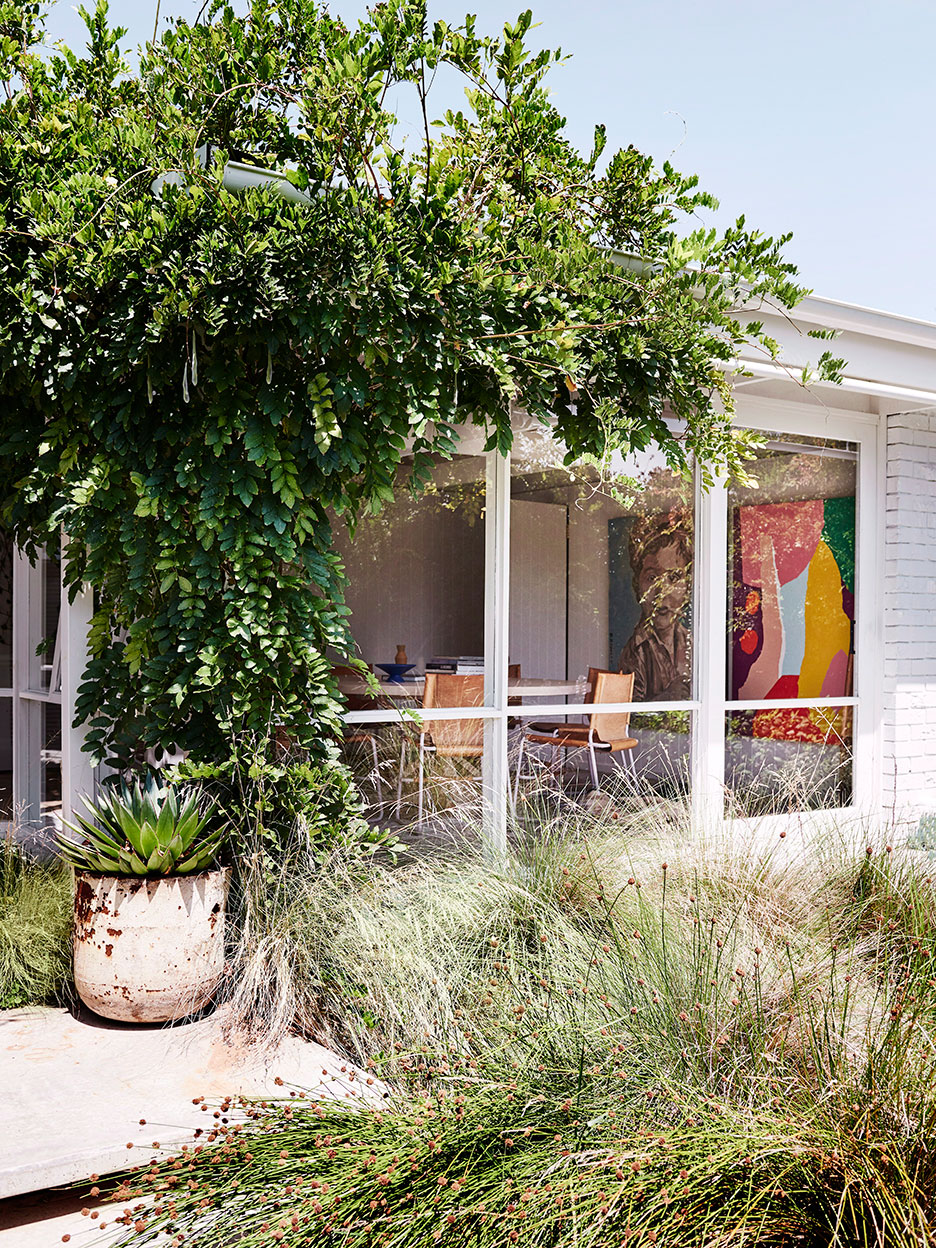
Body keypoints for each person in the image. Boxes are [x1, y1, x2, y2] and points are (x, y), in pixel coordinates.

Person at [617, 511, 691, 702]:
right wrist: (668, 697)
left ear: (688, 587)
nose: (662, 591)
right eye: (652, 578)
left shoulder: (691, 641)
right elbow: (628, 715)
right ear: (637, 585)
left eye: (673, 578)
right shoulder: (637, 651)